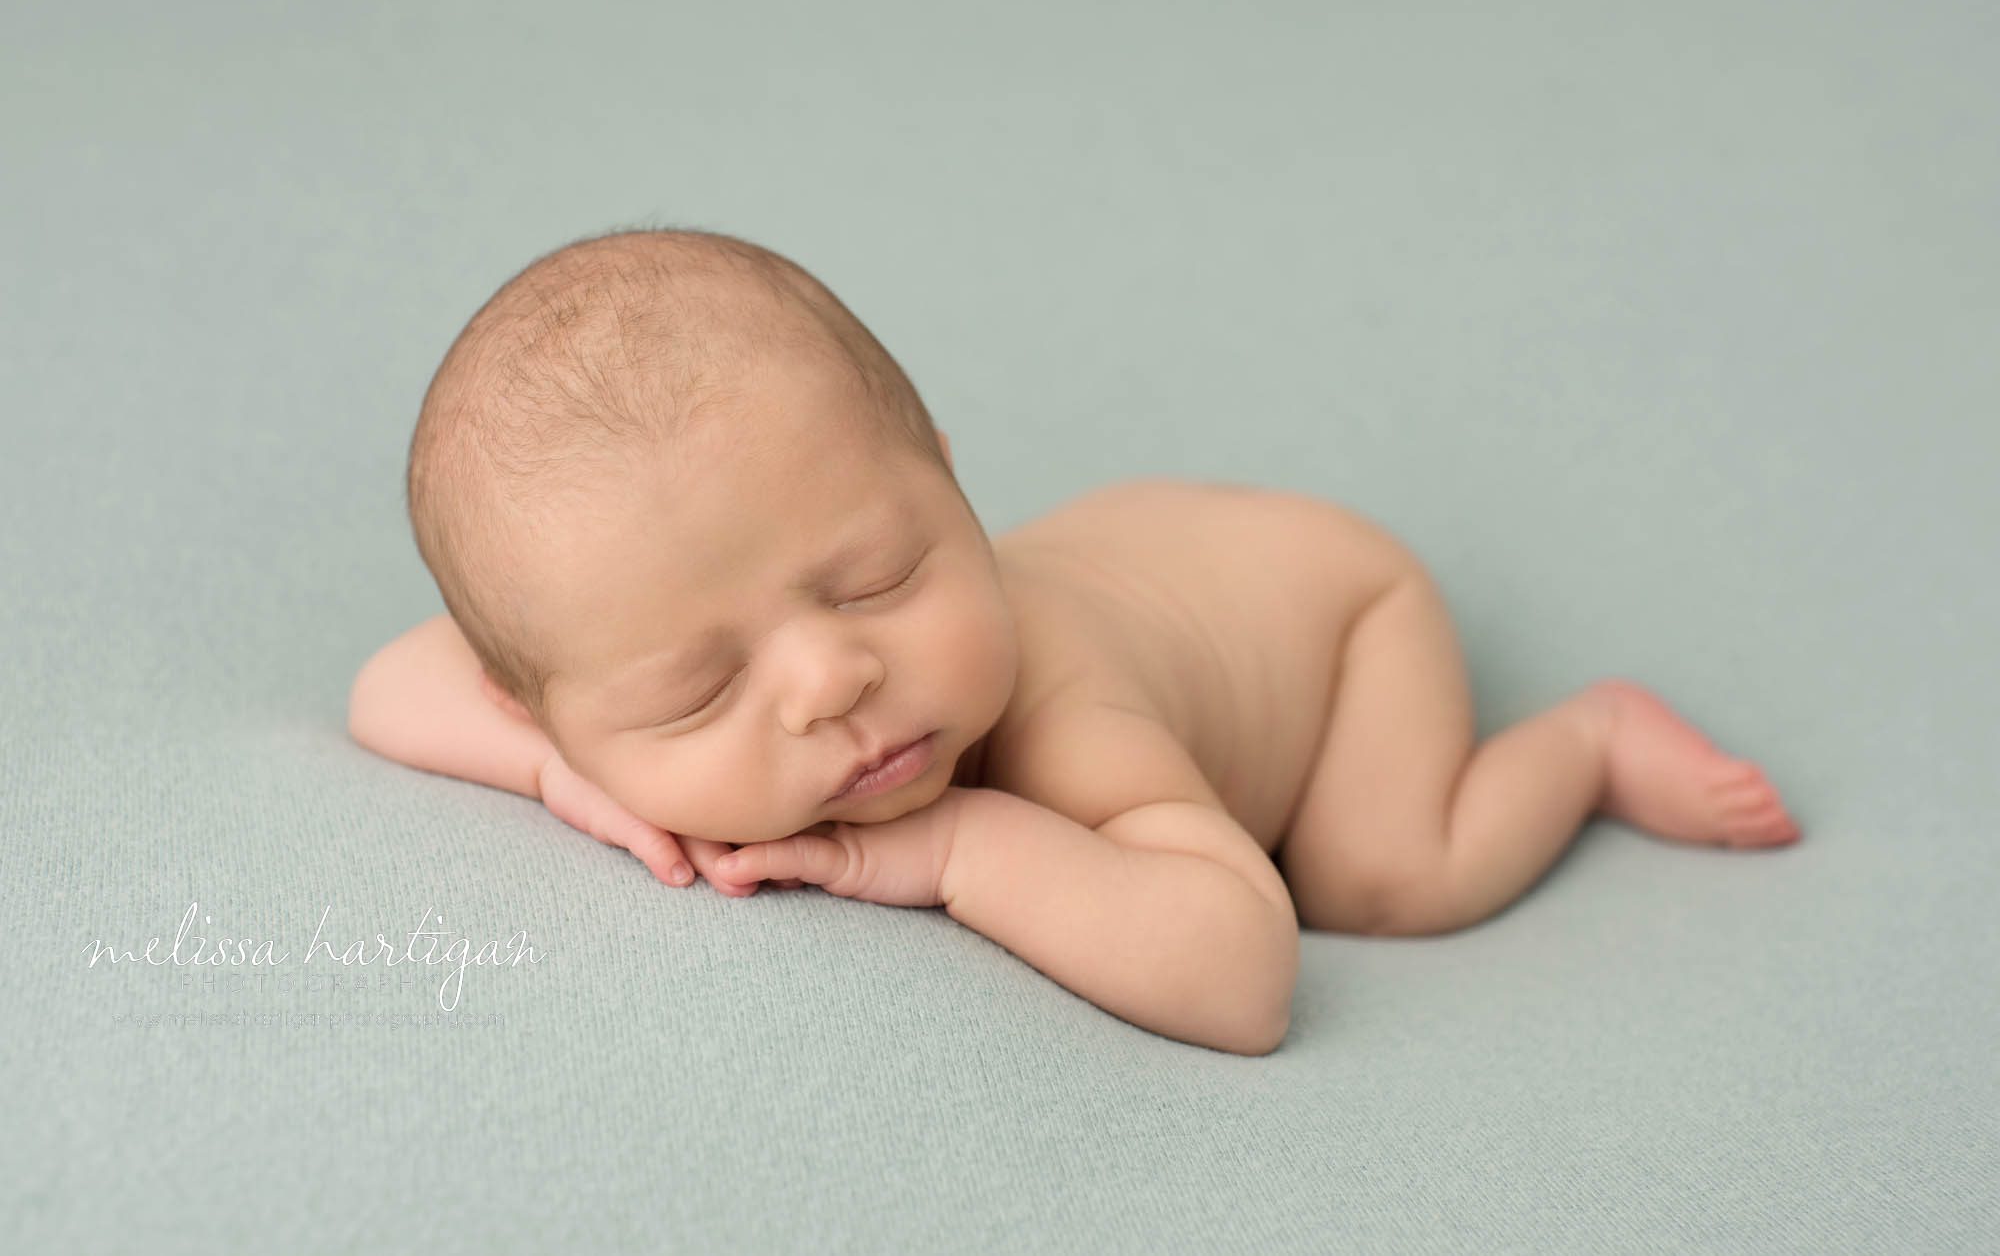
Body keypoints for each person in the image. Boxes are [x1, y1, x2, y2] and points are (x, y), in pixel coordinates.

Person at [348, 226, 1803, 1056]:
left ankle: (1590, 739)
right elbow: (391, 686)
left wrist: (953, 852)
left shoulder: (1061, 721)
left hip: (1333, 611)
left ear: (953, 482)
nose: (830, 678)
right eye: (700, 688)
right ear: (548, 701)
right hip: (1158, 538)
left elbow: (1244, 976)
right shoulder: (589, 691)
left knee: (1379, 878)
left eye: (873, 579)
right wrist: (570, 778)